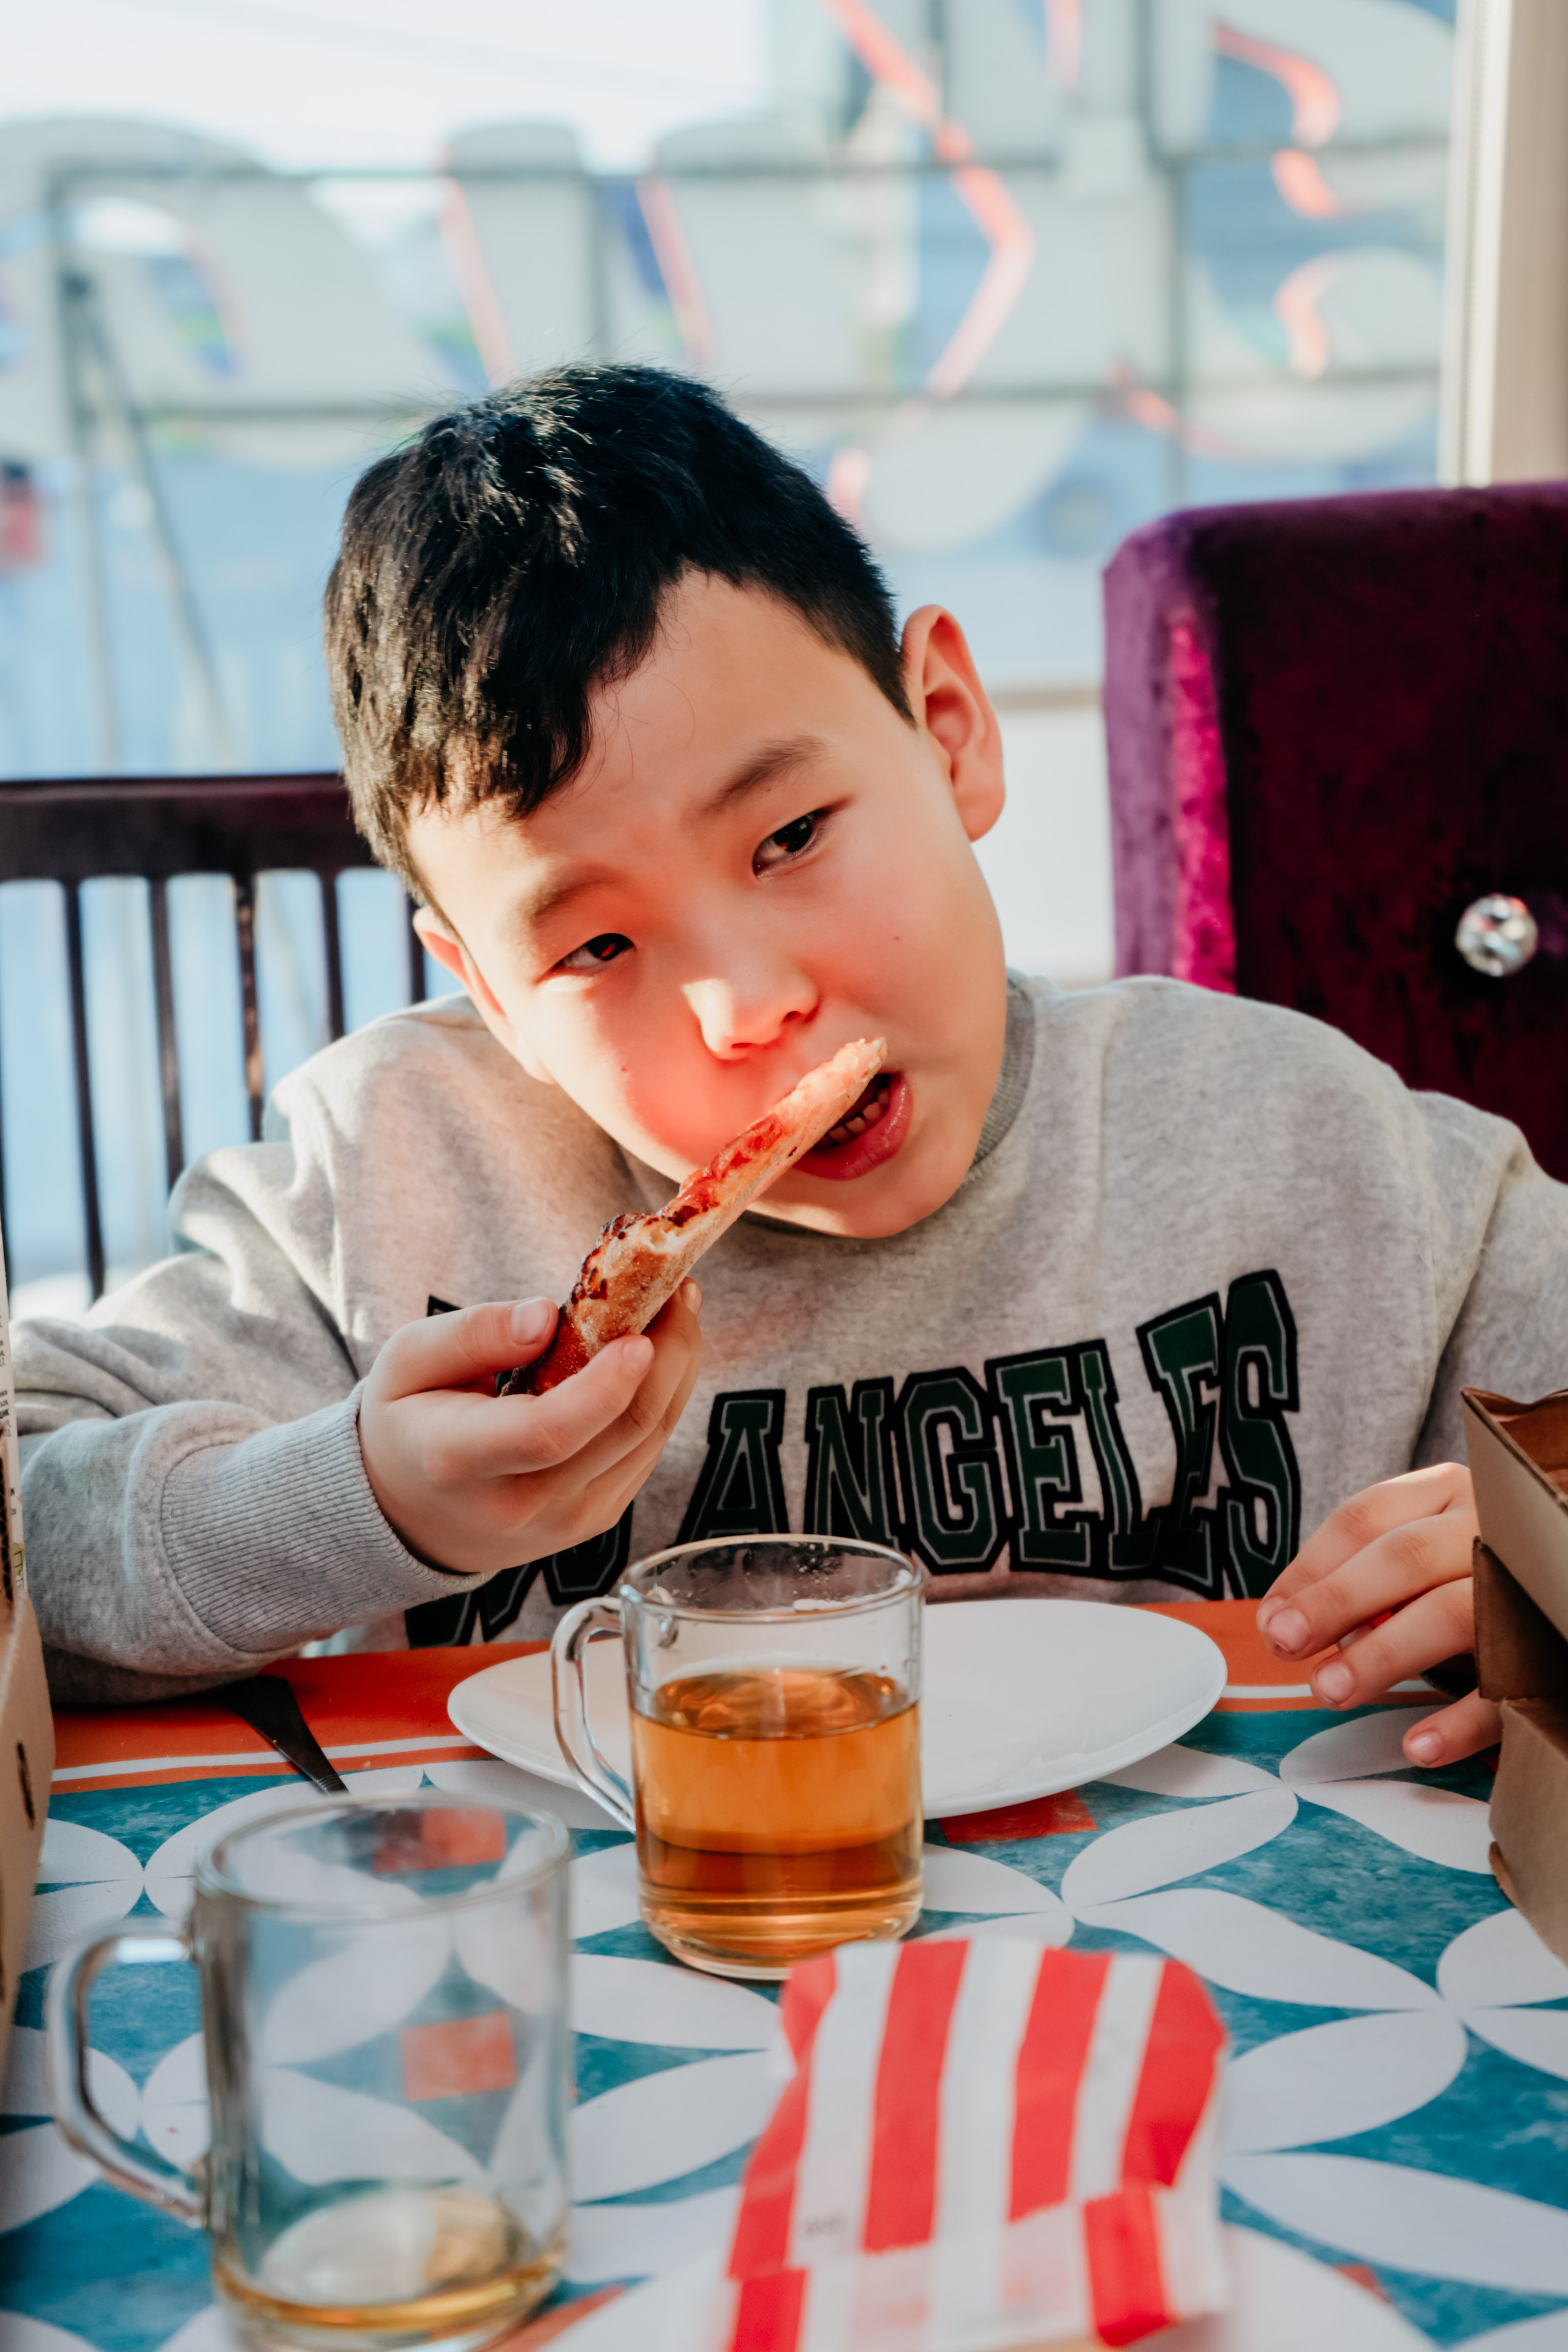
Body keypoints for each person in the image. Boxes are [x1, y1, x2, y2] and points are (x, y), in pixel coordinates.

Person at [17, 368, 1567, 1767]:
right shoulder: (387, 1183)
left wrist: (1535, 1558)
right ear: (484, 988)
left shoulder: (1301, 1141)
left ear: (946, 731)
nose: (747, 1006)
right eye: (593, 951)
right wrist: (354, 1500)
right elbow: (25, 1518)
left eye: (790, 838)